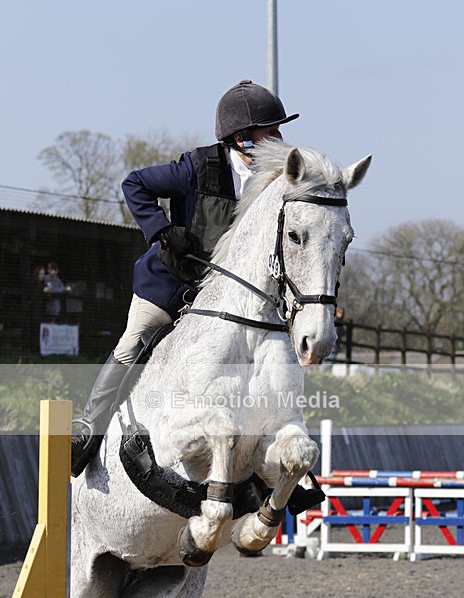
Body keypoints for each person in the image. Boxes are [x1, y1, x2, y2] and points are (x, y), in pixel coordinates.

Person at [71, 80, 299, 477]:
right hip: (172, 285)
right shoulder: (196, 167)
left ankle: (286, 467)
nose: (280, 137)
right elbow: (135, 183)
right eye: (272, 130)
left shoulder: (277, 182)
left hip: (228, 300)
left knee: (270, 359)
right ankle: (90, 429)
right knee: (133, 342)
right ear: (242, 137)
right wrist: (161, 230)